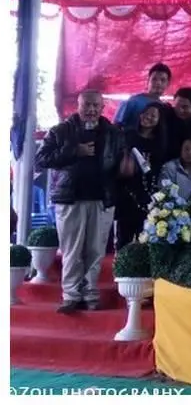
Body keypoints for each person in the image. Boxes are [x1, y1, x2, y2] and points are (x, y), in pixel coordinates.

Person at [37, 90, 126, 313]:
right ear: (78, 105)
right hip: (70, 198)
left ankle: (90, 293)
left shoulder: (113, 133)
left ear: (102, 107)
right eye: (87, 105)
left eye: (96, 105)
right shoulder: (61, 130)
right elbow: (42, 159)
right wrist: (74, 151)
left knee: (96, 250)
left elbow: (119, 162)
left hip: (102, 198)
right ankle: (70, 295)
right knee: (71, 249)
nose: (91, 110)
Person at [114, 101, 168, 248]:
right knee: (123, 236)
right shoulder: (127, 135)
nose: (148, 117)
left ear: (159, 120)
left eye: (153, 115)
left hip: (148, 193)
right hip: (126, 191)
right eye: (146, 113)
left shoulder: (160, 142)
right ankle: (121, 261)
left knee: (144, 236)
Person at [114, 63, 172, 129]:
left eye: (163, 80)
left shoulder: (165, 108)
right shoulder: (132, 101)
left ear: (168, 84)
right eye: (154, 79)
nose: (158, 83)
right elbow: (116, 127)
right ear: (148, 81)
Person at [158, 137, 191, 204]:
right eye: (186, 149)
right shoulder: (170, 167)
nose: (190, 152)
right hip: (173, 208)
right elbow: (164, 193)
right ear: (181, 151)